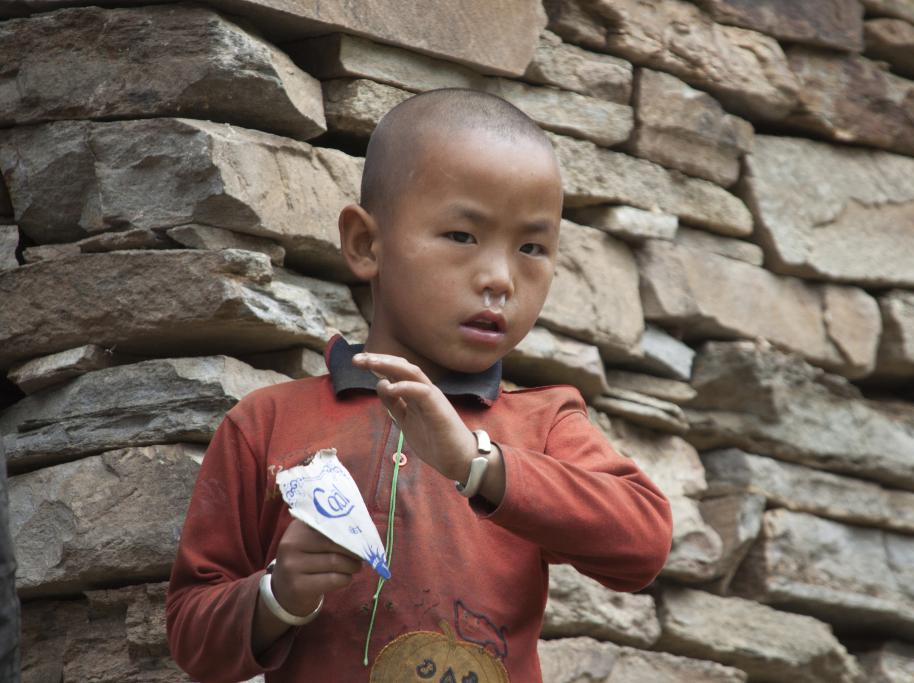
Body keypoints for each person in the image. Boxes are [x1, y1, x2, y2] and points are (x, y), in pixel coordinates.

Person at [166, 88, 672, 682]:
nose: (499, 279)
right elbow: (191, 637)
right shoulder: (267, 424)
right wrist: (279, 596)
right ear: (365, 244)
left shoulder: (543, 425)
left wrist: (477, 465)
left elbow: (642, 544)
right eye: (463, 236)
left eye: (533, 247)